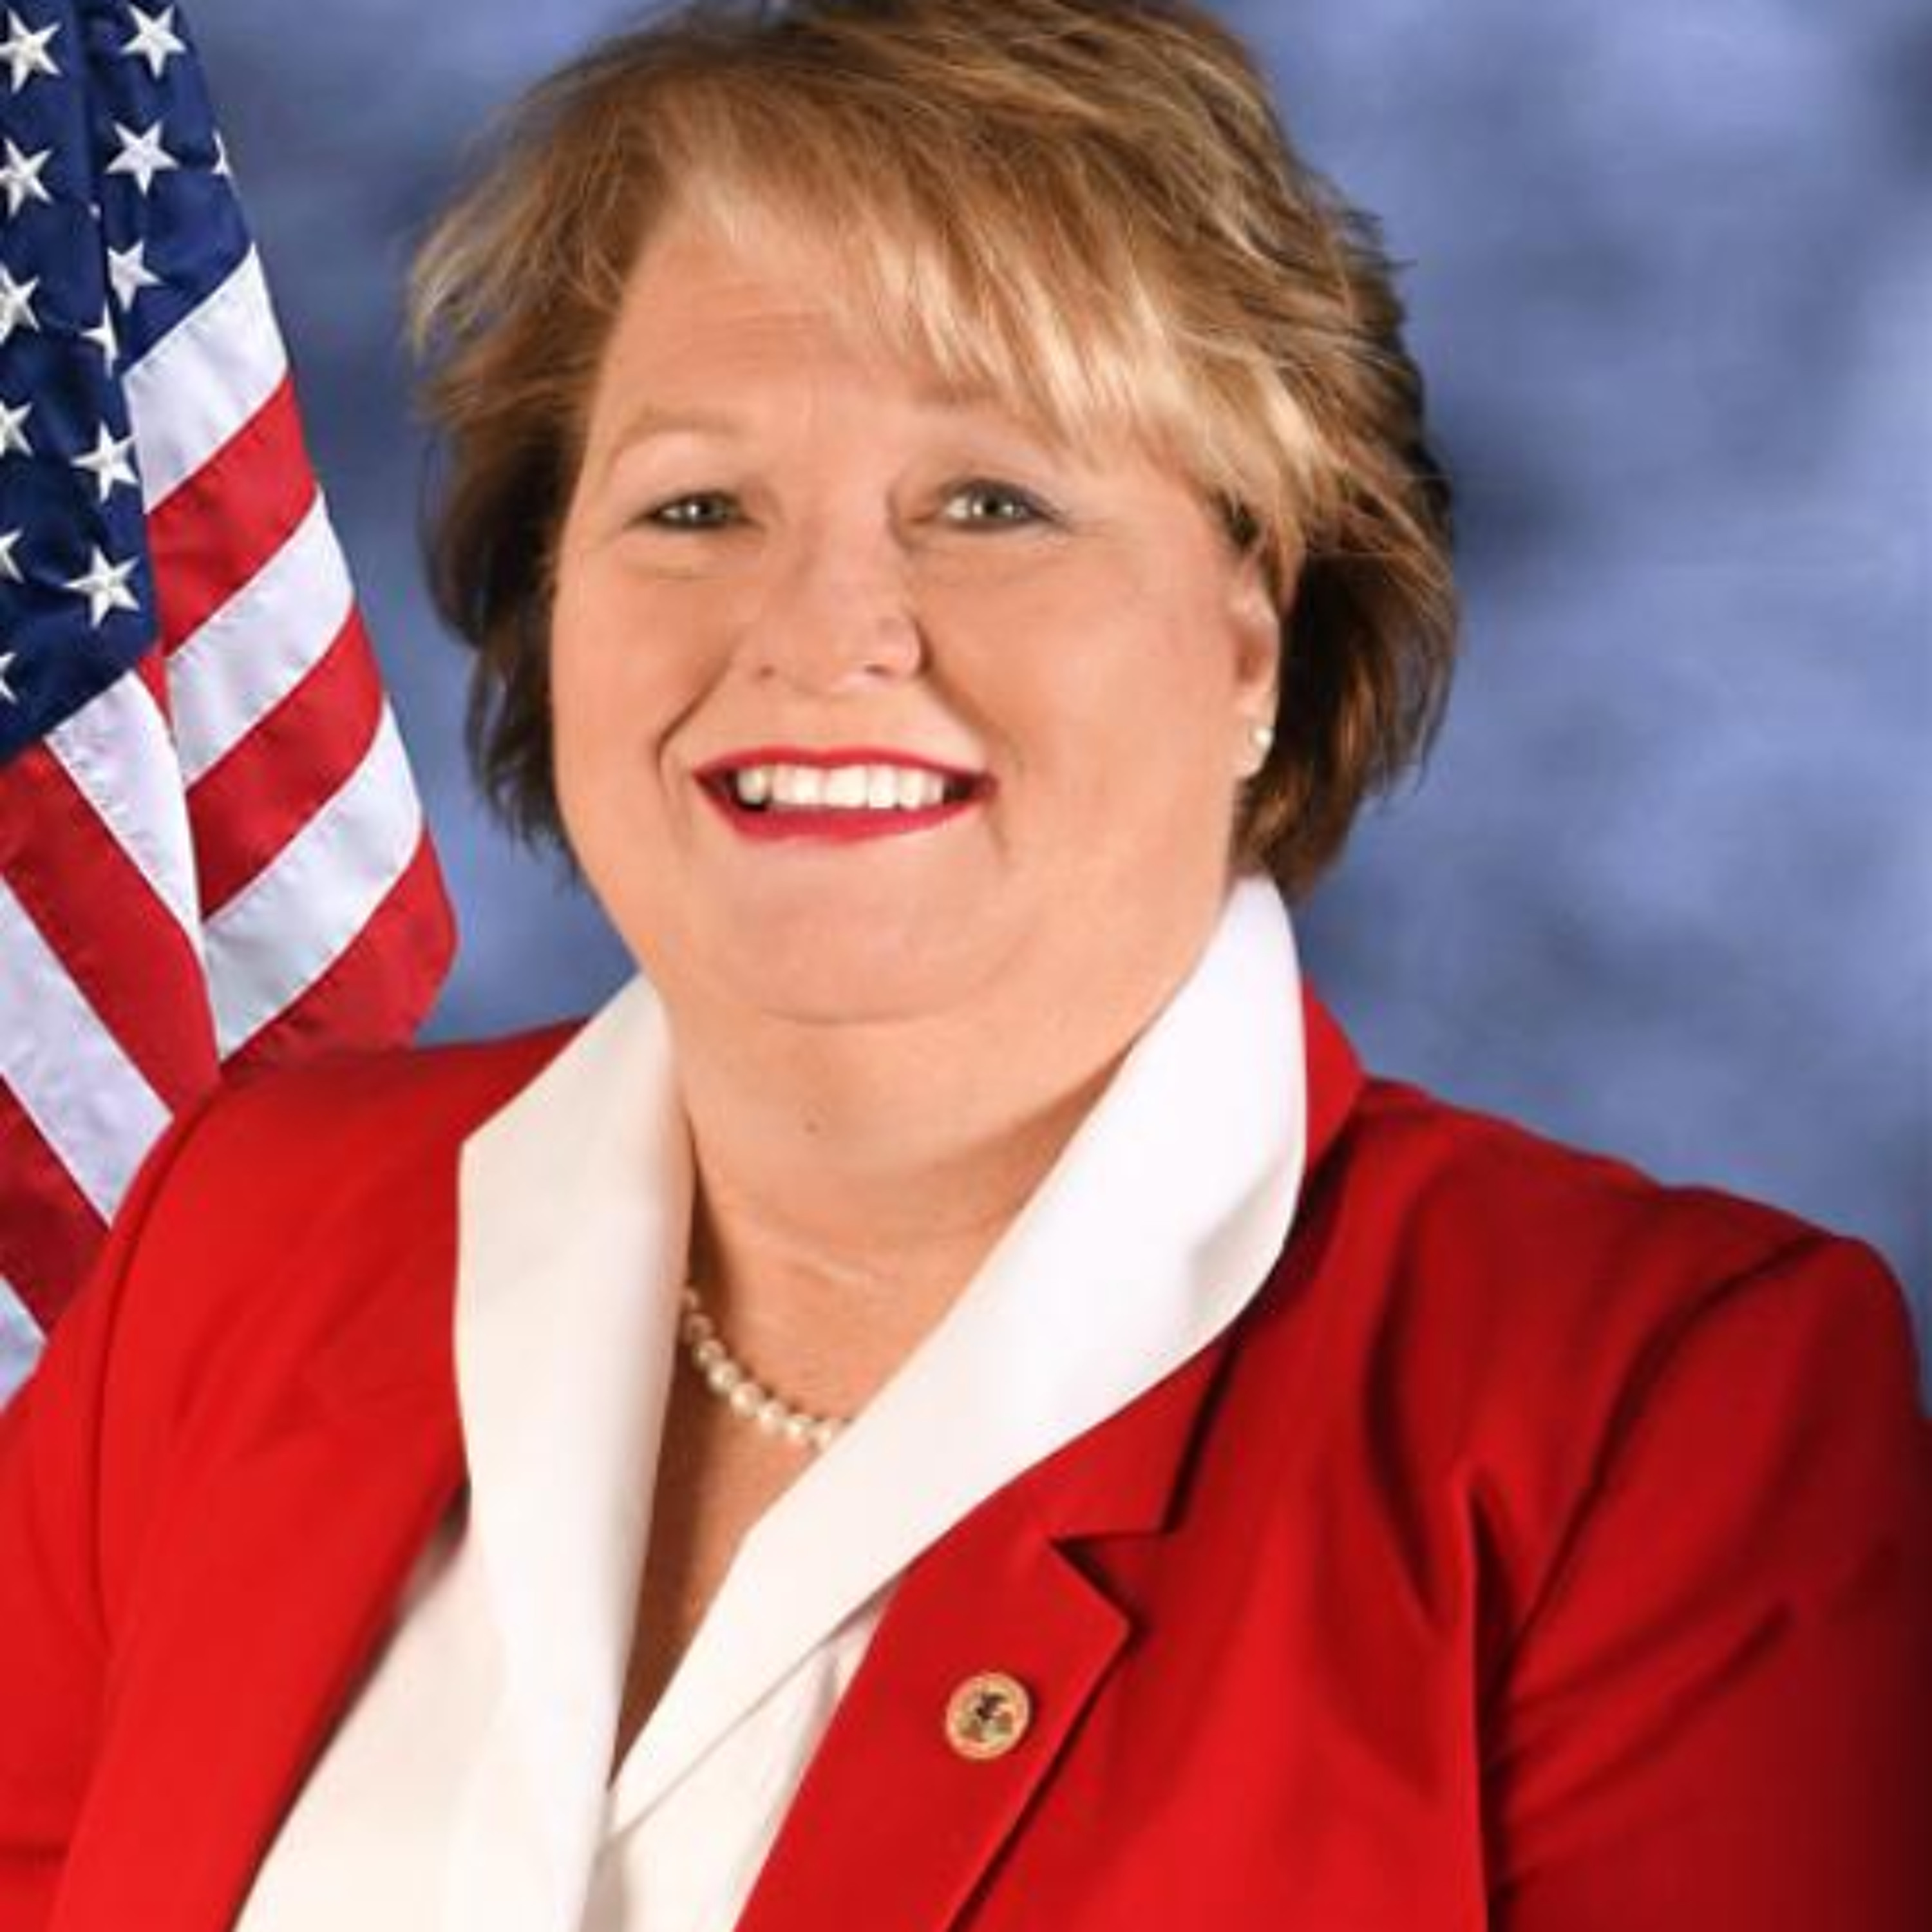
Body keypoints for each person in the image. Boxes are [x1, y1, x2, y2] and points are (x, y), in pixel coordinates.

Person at [3, 1, 1926, 1927]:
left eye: (992, 504)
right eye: (695, 506)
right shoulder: (238, 1238)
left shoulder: (1653, 1417)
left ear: (1253, 635)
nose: (823, 630)